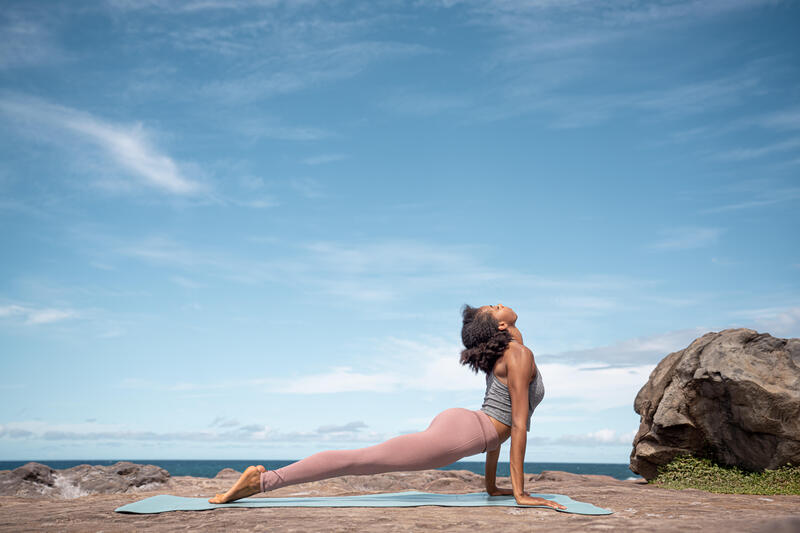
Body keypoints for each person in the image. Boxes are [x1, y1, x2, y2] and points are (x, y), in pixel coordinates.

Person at [209, 303, 565, 510]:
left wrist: (493, 486)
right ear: (502, 324)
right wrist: (519, 494)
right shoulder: (519, 355)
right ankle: (264, 480)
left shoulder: (514, 353)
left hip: (469, 425)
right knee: (363, 459)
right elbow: (515, 425)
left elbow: (498, 426)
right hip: (466, 429)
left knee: (366, 457)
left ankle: (265, 479)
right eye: (494, 305)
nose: (499, 301)